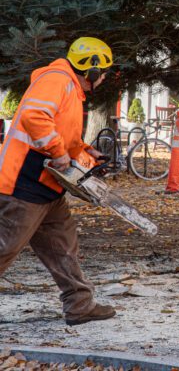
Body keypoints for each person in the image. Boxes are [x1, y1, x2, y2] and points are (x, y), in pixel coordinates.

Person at [0, 37, 117, 325]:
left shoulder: (71, 90)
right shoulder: (57, 80)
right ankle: (79, 302)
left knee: (63, 245)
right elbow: (34, 116)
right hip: (23, 184)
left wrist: (84, 151)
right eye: (102, 73)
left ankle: (79, 304)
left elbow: (64, 137)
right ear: (91, 71)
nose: (103, 79)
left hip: (48, 187)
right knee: (4, 247)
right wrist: (58, 151)